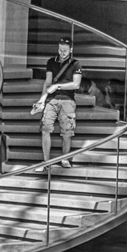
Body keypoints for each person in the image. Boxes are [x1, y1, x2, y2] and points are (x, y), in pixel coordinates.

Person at [33, 37, 82, 171]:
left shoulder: (76, 64)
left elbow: (76, 84)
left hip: (67, 99)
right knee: (45, 128)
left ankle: (65, 159)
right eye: (60, 49)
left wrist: (58, 86)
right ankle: (46, 162)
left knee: (67, 131)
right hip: (51, 99)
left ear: (71, 50)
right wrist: (42, 99)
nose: (62, 52)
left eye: (65, 50)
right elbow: (48, 82)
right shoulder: (51, 62)